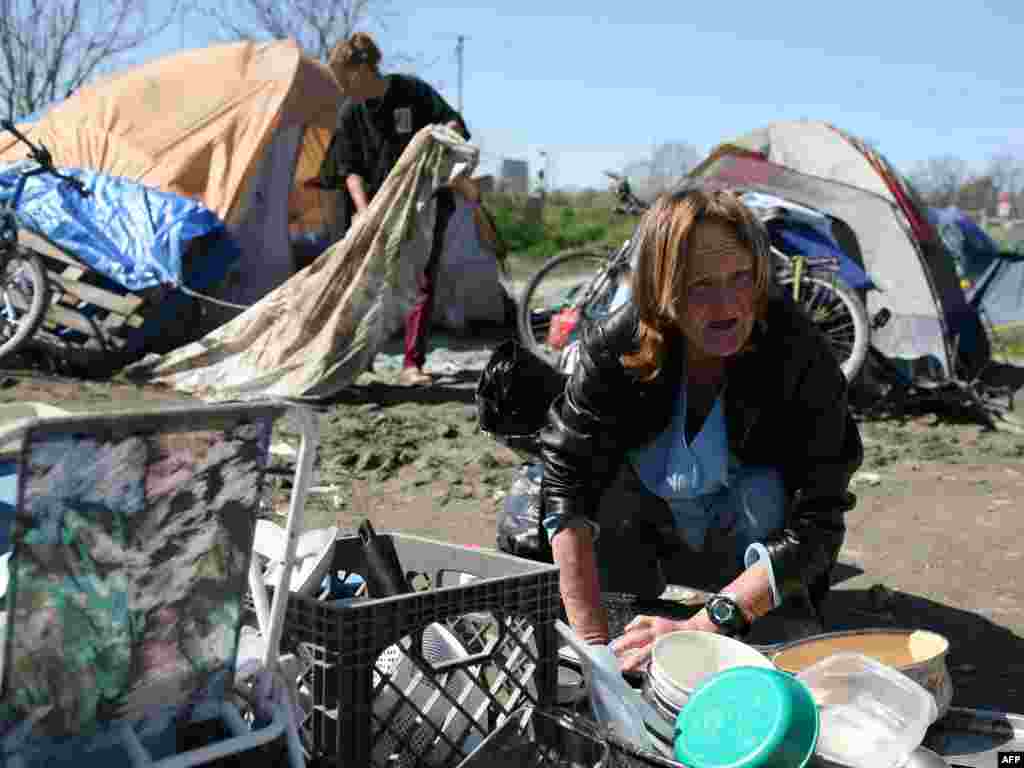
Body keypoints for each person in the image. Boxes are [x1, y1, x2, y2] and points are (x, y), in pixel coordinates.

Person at [538, 182, 863, 672]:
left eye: (740, 278)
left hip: (747, 547)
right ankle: (626, 606)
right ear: (659, 287)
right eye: (699, 285)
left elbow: (820, 516)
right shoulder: (614, 343)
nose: (727, 305)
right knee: (583, 489)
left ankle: (762, 610)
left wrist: (704, 625)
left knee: (765, 494)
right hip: (650, 533)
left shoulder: (797, 352)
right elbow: (565, 479)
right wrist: (593, 646)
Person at [320, 32, 471, 387]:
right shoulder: (351, 112)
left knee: (421, 279)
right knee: (368, 282)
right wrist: (363, 211)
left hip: (425, 202)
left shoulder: (412, 92)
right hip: (379, 207)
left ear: (361, 70)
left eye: (344, 79)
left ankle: (411, 364)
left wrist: (440, 134)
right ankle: (361, 359)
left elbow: (454, 123)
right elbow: (350, 169)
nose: (343, 87)